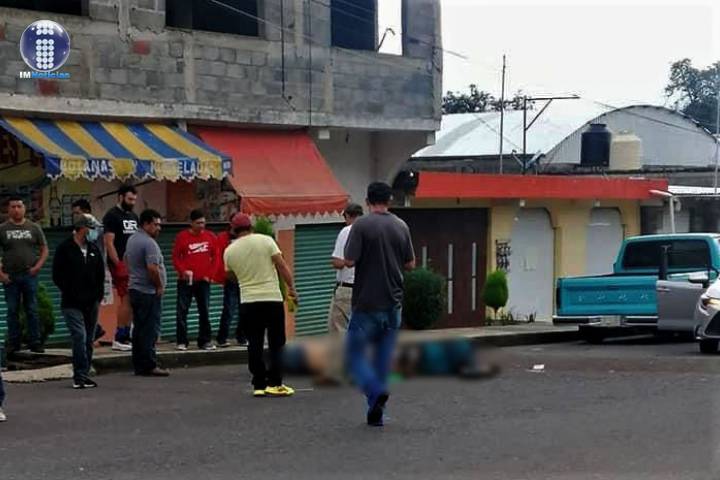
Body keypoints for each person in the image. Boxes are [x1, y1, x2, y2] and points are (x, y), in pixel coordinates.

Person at [344, 182, 415, 426]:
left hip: (366, 302)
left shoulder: (361, 225)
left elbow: (349, 260)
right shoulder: (401, 225)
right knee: (382, 360)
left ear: (367, 201)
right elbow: (410, 264)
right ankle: (376, 413)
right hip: (393, 303)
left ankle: (375, 392)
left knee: (354, 355)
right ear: (390, 200)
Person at [223, 213, 297, 397]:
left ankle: (258, 384)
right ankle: (275, 383)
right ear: (251, 226)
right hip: (271, 298)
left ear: (233, 230)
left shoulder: (229, 251)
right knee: (276, 342)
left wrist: (245, 280)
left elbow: (230, 275)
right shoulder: (266, 241)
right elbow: (281, 266)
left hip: (248, 301)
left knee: (254, 342)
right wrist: (291, 288)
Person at [52, 214, 105, 389]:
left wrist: (98, 296)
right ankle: (79, 376)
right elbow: (57, 275)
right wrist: (71, 290)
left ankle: (85, 373)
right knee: (79, 336)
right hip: (72, 302)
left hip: (92, 302)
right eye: (92, 229)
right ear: (83, 228)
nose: (95, 233)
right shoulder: (65, 249)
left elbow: (100, 274)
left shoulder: (94, 249)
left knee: (89, 338)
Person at [319, 203, 363, 384]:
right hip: (367, 289)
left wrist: (347, 261)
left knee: (339, 329)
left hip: (347, 288)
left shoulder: (347, 231)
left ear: (347, 216)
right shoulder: (371, 230)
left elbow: (337, 261)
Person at [0, 195, 49, 356]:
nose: (16, 210)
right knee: (12, 310)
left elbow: (44, 249)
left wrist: (37, 267)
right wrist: (1, 274)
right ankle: (14, 343)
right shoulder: (3, 229)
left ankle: (35, 342)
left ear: (24, 208)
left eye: (19, 206)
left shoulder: (33, 227)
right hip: (10, 277)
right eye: (13, 207)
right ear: (8, 209)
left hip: (29, 275)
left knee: (32, 309)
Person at [124, 209, 169, 377]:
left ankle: (139, 364)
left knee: (139, 329)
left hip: (136, 289)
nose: (159, 228)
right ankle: (149, 364)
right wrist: (159, 286)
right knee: (149, 329)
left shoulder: (132, 239)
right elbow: (152, 268)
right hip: (147, 291)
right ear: (146, 224)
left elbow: (126, 259)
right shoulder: (149, 243)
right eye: (156, 225)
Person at [172, 209, 217, 351]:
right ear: (191, 223)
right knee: (182, 311)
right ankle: (182, 341)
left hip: (203, 281)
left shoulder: (210, 236)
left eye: (203, 223)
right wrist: (183, 271)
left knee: (204, 311)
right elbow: (175, 257)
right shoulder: (182, 237)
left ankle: (205, 341)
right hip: (185, 281)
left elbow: (216, 258)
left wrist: (209, 275)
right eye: (198, 223)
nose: (201, 226)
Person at [103, 185, 139, 352]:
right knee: (126, 299)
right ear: (121, 197)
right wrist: (118, 264)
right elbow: (109, 242)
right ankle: (120, 336)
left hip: (135, 264)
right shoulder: (112, 216)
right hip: (121, 264)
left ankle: (127, 334)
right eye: (129, 199)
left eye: (134, 200)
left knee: (132, 300)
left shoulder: (134, 216)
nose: (132, 203)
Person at [72, 198, 109, 342]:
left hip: (93, 271)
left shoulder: (94, 227)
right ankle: (92, 331)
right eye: (74, 214)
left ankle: (93, 331)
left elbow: (90, 239)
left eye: (78, 213)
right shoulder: (80, 228)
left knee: (90, 304)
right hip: (82, 272)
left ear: (87, 212)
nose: (75, 217)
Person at [215, 213, 248, 348]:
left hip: (245, 277)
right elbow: (219, 257)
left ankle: (242, 337)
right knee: (229, 309)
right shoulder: (223, 238)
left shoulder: (246, 238)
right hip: (231, 278)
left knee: (244, 309)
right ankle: (222, 338)